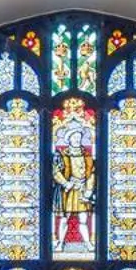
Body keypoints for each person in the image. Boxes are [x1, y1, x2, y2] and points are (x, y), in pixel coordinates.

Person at [52, 105, 96, 253]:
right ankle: (60, 243)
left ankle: (88, 244)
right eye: (74, 137)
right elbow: (56, 171)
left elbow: (91, 173)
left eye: (79, 137)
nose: (77, 139)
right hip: (68, 191)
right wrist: (66, 183)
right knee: (64, 218)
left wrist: (89, 190)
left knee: (83, 220)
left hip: (83, 190)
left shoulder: (87, 156)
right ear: (69, 139)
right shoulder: (62, 154)